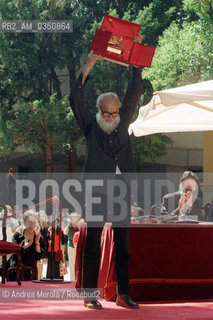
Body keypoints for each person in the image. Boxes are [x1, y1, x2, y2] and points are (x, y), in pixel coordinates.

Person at [70, 34, 143, 310]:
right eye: (108, 113)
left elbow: (134, 90)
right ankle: (90, 295)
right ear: (100, 111)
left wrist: (135, 59)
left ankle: (123, 294)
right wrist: (88, 65)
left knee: (123, 247)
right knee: (93, 244)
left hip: (121, 192)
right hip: (98, 193)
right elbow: (75, 96)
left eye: (115, 113)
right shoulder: (90, 126)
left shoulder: (123, 120)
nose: (113, 117)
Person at [7, 212, 44, 280]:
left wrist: (36, 243)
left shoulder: (38, 237)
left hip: (31, 271)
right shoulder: (17, 235)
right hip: (16, 270)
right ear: (24, 223)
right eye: (29, 221)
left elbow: (39, 256)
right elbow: (15, 251)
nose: (32, 223)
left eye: (33, 221)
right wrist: (28, 244)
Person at [63, 212, 80, 281]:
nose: (74, 219)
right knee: (72, 264)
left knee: (78, 263)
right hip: (71, 246)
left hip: (79, 246)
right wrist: (68, 223)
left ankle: (78, 279)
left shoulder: (79, 225)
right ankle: (72, 280)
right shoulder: (69, 226)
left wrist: (77, 224)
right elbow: (65, 232)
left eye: (75, 218)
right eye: (72, 218)